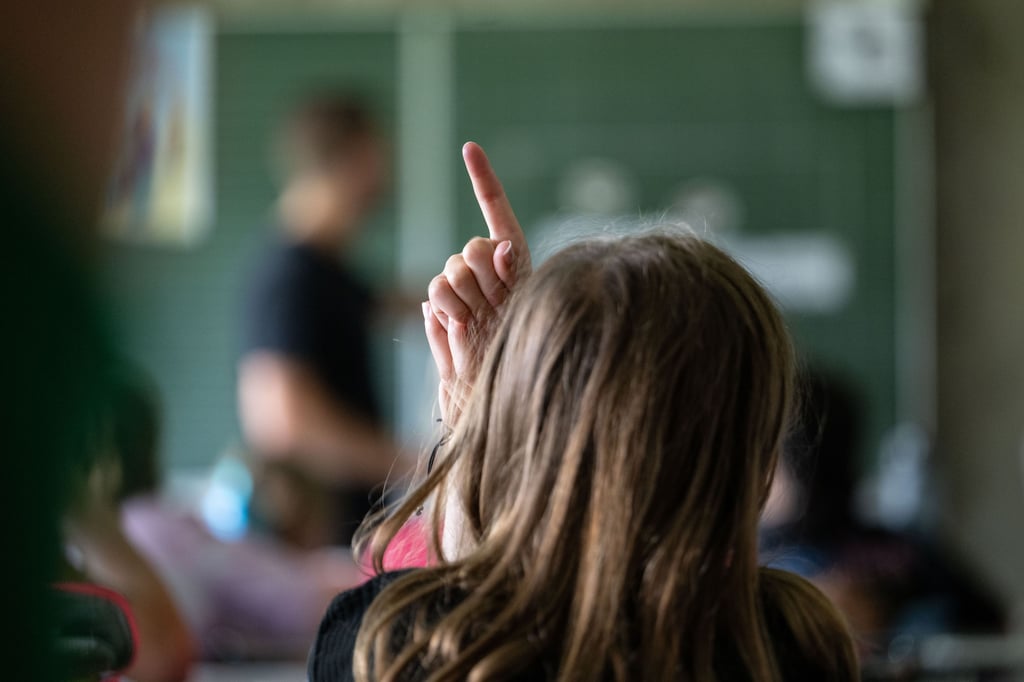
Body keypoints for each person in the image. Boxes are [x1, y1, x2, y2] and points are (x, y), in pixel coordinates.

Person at [308, 143, 859, 681]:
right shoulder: (788, 641)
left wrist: (482, 424)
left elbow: (457, 617)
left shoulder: (381, 642)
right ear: (758, 461)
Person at [238, 93, 408, 548]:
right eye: (376, 161)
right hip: (324, 549)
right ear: (348, 161)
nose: (384, 181)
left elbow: (393, 301)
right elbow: (286, 424)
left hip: (350, 535)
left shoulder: (328, 270)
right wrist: (416, 462)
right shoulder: (291, 276)